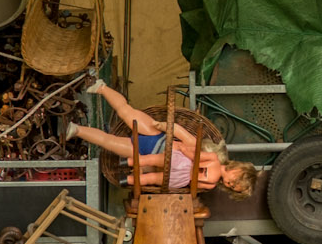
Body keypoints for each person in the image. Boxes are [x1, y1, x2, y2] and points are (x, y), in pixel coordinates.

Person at [66, 82, 258, 197]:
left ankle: (76, 130)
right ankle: (102, 88)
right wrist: (164, 126)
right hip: (157, 139)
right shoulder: (212, 155)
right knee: (127, 113)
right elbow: (183, 136)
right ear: (238, 169)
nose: (230, 185)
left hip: (150, 156)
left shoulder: (209, 183)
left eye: (233, 188)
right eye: (235, 182)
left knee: (109, 143)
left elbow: (176, 179)